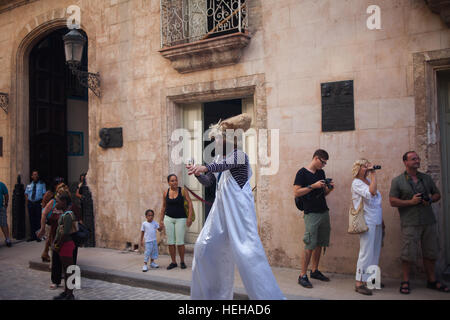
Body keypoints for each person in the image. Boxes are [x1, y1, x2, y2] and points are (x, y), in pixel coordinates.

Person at [187, 113, 285, 300]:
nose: (214, 143)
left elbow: (224, 165)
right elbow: (208, 181)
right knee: (203, 247)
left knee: (248, 254)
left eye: (217, 139)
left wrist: (205, 167)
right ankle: (214, 297)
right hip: (221, 213)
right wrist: (197, 172)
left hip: (239, 212)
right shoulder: (217, 161)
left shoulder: (239, 155)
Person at [389, 151, 448, 294]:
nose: (417, 160)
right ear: (406, 162)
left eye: (418, 158)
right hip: (410, 222)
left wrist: (430, 199)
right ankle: (405, 281)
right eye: (413, 159)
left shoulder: (426, 178)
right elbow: (392, 201)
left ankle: (432, 281)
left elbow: (437, 194)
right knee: (407, 254)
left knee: (430, 252)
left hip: (428, 221)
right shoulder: (397, 181)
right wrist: (411, 201)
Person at [293, 149, 334, 288]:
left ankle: (315, 270)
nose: (323, 165)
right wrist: (312, 186)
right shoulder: (302, 173)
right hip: (311, 213)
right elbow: (296, 192)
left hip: (323, 211)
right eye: (323, 162)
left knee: (320, 243)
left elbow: (323, 193)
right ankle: (302, 275)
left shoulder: (321, 173)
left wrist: (329, 189)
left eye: (325, 163)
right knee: (309, 244)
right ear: (316, 158)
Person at [351, 159, 383, 295]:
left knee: (375, 251)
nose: (367, 168)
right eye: (364, 166)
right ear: (358, 168)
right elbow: (372, 193)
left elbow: (376, 202)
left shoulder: (368, 182)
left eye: (367, 166)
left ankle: (371, 279)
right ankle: (359, 282)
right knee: (366, 252)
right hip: (366, 221)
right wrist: (374, 174)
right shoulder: (356, 183)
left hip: (376, 220)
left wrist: (382, 220)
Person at [159, 174, 193, 270]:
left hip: (181, 219)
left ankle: (182, 261)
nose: (175, 182)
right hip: (168, 218)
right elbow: (163, 207)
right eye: (172, 181)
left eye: (176, 180)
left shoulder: (182, 190)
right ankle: (173, 262)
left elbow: (190, 203)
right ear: (168, 182)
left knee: (180, 242)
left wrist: (189, 217)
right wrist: (161, 220)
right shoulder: (166, 192)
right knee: (171, 242)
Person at [52, 190, 78, 300]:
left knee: (70, 270)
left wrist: (58, 244)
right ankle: (66, 292)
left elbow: (66, 232)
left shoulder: (67, 215)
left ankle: (70, 294)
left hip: (66, 245)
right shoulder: (64, 213)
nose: (56, 204)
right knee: (66, 269)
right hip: (64, 245)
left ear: (63, 202)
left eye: (57, 201)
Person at [38, 177, 64, 262]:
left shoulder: (59, 195)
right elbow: (44, 206)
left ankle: (45, 254)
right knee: (50, 238)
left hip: (53, 219)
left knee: (49, 239)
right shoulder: (49, 194)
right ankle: (48, 256)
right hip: (50, 219)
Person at [25, 170, 46, 242]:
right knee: (31, 220)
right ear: (31, 176)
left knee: (38, 219)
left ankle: (39, 236)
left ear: (38, 176)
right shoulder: (29, 185)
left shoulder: (42, 184)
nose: (35, 176)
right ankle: (32, 236)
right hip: (31, 203)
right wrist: (27, 202)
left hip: (38, 203)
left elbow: (44, 194)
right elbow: (26, 194)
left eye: (36, 174)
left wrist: (43, 203)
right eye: (34, 174)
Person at [0, 180, 11, 247]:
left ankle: (7, 239)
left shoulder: (1, 184)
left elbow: (6, 194)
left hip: (1, 208)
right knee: (4, 223)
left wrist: (6, 204)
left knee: (4, 224)